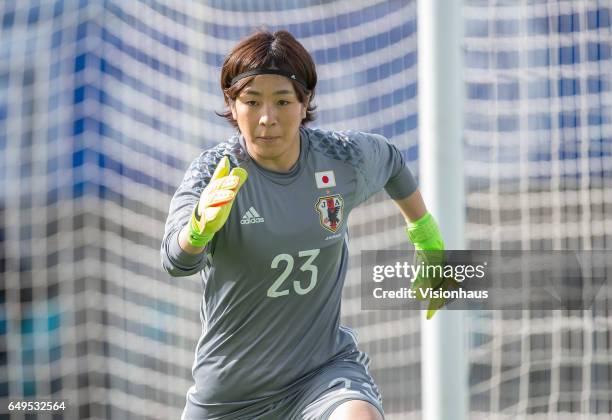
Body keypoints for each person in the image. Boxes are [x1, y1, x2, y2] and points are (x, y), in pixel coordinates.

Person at [161, 29, 449, 420]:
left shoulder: (340, 157)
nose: (267, 118)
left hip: (322, 377)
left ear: (304, 102)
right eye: (251, 102)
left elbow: (392, 162)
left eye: (282, 101)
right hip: (229, 398)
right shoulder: (214, 174)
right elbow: (175, 261)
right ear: (232, 104)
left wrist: (427, 240)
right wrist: (198, 230)